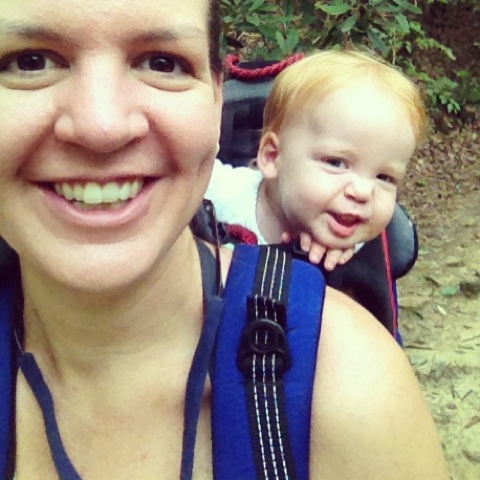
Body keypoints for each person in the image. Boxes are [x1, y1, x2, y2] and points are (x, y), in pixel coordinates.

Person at [0, 0, 449, 479]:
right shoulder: (233, 190)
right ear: (270, 155)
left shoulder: (351, 389)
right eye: (30, 61)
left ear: (217, 101)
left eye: (163, 63)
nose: (101, 127)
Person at [206, 49, 427, 270]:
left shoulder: (360, 242)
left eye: (384, 177)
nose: (363, 192)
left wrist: (352, 251)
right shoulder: (219, 193)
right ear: (273, 156)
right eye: (336, 163)